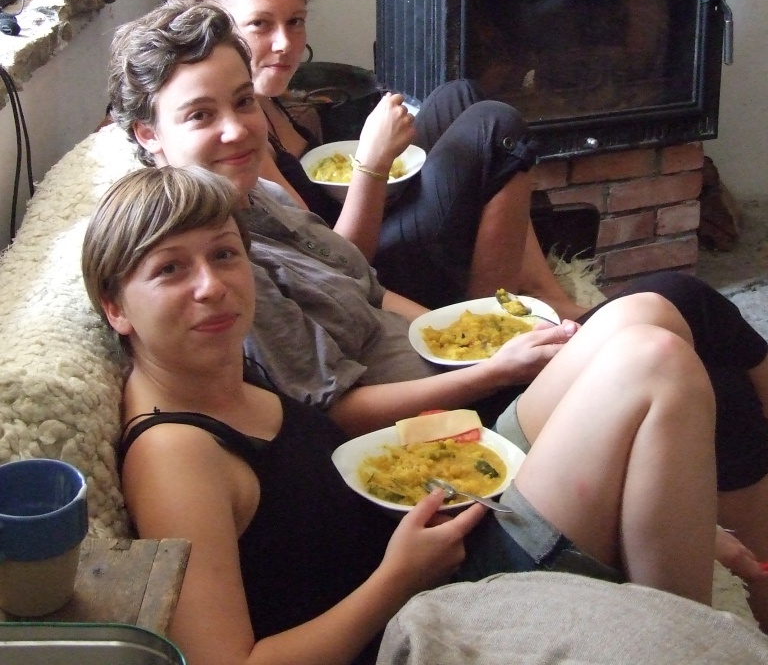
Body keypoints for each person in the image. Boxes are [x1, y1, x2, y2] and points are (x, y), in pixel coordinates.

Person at [107, 0, 768, 626]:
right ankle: (700, 625)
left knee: (651, 317)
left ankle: (707, 584)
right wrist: (491, 374)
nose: (236, 128)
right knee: (667, 355)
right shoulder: (217, 314)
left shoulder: (250, 205)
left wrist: (473, 336)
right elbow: (335, 419)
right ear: (149, 135)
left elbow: (361, 289)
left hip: (438, 450)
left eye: (243, 100)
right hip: (427, 502)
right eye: (201, 115)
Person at [81, 163, 724, 665]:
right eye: (170, 269)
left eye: (224, 254)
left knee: (642, 315)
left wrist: (663, 495)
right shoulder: (174, 456)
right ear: (115, 307)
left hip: (432, 524)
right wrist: (397, 579)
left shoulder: (218, 369)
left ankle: (665, 558)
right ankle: (687, 641)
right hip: (419, 614)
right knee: (656, 363)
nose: (211, 285)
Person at [165, 0, 584, 319]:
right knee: (494, 126)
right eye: (260, 24)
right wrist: (372, 163)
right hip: (366, 269)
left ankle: (540, 286)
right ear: (216, 27)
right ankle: (487, 322)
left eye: (295, 21)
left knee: (461, 95)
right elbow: (334, 263)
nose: (285, 43)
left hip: (368, 229)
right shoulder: (241, 136)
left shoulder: (268, 102)